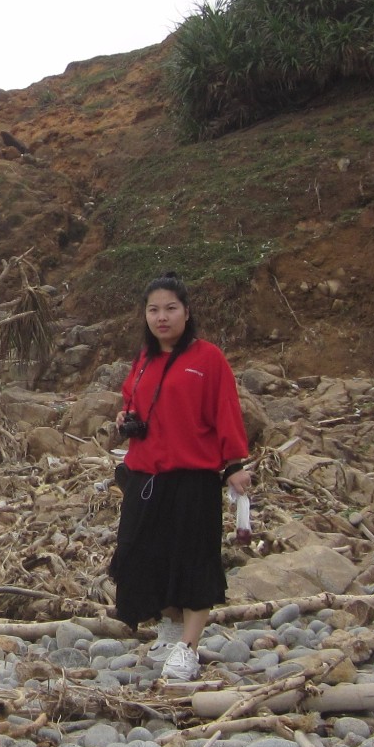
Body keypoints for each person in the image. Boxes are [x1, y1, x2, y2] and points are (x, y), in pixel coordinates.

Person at [107, 273, 253, 681]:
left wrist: (234, 466)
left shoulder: (209, 359)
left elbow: (226, 412)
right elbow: (133, 401)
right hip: (144, 474)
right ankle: (170, 627)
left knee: (193, 562)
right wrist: (124, 418)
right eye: (153, 309)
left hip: (193, 477)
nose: (162, 317)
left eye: (171, 308)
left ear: (187, 313)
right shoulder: (144, 358)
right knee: (142, 557)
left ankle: (188, 647)